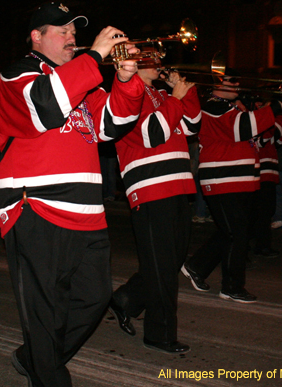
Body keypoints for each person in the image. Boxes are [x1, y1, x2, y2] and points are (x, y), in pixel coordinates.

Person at [0, 2, 144, 387]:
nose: (72, 38)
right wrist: (94, 55)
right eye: (62, 31)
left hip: (87, 211)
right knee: (45, 311)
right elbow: (45, 105)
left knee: (94, 299)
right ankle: (47, 372)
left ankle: (35, 357)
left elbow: (111, 125)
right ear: (36, 37)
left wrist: (126, 80)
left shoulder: (81, 80)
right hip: (35, 204)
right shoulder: (18, 73)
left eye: (74, 32)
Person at [110, 67, 200, 354]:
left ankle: (127, 298)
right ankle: (159, 334)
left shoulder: (161, 94)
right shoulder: (128, 96)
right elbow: (153, 134)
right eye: (148, 55)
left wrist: (187, 91)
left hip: (178, 185)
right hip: (150, 187)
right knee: (161, 266)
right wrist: (175, 98)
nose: (158, 60)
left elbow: (192, 126)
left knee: (169, 262)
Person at [182, 77, 282, 303]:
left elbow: (260, 140)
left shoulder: (234, 108)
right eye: (230, 82)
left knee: (234, 231)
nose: (237, 86)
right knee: (236, 234)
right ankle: (232, 286)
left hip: (240, 179)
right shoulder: (212, 106)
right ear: (215, 86)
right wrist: (277, 107)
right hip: (222, 179)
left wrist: (268, 113)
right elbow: (242, 128)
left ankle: (197, 266)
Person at [251, 102, 282, 257]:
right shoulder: (256, 121)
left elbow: (280, 139)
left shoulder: (266, 122)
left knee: (266, 211)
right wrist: (279, 115)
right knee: (263, 212)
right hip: (262, 173)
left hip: (269, 173)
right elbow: (265, 137)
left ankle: (261, 245)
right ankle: (261, 246)